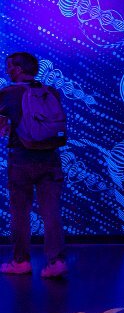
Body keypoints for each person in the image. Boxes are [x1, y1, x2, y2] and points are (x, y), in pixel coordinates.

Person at [0, 52, 68, 277]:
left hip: (21, 158)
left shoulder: (9, 93)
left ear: (18, 69)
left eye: (9, 66)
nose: (7, 69)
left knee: (20, 213)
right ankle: (56, 262)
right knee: (51, 212)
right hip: (50, 158)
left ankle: (21, 262)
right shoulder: (52, 92)